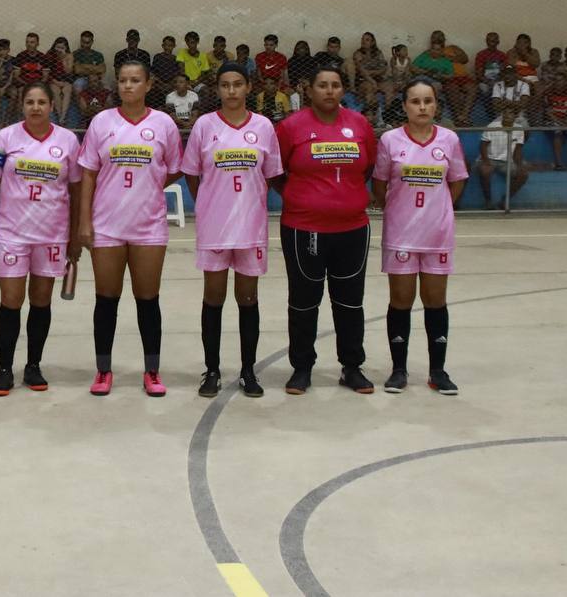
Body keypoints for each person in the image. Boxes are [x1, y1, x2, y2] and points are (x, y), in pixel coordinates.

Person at [77, 60, 182, 396]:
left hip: (148, 226)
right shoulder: (101, 122)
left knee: (147, 299)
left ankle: (152, 371)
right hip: (107, 225)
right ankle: (103, 370)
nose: (128, 86)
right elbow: (88, 173)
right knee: (106, 299)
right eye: (123, 80)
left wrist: (149, 185)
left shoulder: (164, 123)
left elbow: (175, 167)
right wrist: (84, 221)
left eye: (135, 80)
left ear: (148, 85)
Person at [274, 64, 378, 395]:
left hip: (352, 228)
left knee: (350, 301)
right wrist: (305, 198)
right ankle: (302, 367)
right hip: (303, 228)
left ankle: (352, 367)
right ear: (310, 90)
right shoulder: (291, 127)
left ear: (343, 90)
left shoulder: (359, 124)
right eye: (322, 85)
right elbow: (276, 172)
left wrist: (342, 198)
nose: (329, 90)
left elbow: (368, 167)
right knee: (304, 301)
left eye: (335, 85)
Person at [181, 63, 282, 397]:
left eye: (238, 84)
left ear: (248, 87)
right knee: (214, 297)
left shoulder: (264, 126)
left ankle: (248, 371)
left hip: (251, 226)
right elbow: (192, 173)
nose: (232, 91)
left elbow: (271, 174)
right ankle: (211, 370)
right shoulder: (204, 126)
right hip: (215, 226)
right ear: (218, 89)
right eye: (225, 85)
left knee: (248, 298)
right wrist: (209, 203)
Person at [0, 82, 82, 395]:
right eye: (29, 102)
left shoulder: (68, 140)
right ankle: (4, 369)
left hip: (52, 234)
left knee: (41, 300)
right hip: (12, 232)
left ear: (52, 106)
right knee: (11, 300)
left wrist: (75, 234)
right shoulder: (5, 138)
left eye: (41, 102)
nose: (35, 107)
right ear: (22, 105)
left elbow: (76, 190)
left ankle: (33, 366)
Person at [372, 77, 468, 396]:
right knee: (401, 300)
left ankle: (437, 371)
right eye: (415, 101)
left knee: (435, 301)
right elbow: (380, 185)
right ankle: (398, 370)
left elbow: (457, 180)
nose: (422, 107)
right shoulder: (390, 140)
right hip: (401, 233)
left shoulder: (449, 140)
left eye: (428, 101)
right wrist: (399, 209)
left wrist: (439, 210)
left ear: (436, 105)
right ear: (404, 106)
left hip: (437, 234)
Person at [478, 108, 528, 209]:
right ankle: (488, 201)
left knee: (523, 175)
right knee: (485, 171)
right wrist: (486, 162)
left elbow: (518, 150)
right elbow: (483, 145)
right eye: (504, 113)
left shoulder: (519, 129)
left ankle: (505, 200)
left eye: (510, 113)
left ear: (515, 116)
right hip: (490, 158)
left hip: (507, 161)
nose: (506, 115)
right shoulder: (492, 126)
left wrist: (519, 165)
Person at [543, 70, 567, 170]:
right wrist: (561, 123)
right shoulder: (548, 93)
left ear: (565, 81)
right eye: (556, 81)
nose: (558, 83)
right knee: (558, 133)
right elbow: (548, 113)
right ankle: (559, 164)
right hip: (553, 119)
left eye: (561, 80)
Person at [351, 32, 389, 113]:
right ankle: (369, 114)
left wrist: (372, 72)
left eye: (367, 40)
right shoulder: (358, 53)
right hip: (363, 80)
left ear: (373, 42)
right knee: (369, 87)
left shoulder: (378, 53)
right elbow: (361, 71)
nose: (363, 41)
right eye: (362, 39)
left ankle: (387, 113)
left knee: (390, 88)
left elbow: (384, 68)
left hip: (378, 79)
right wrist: (372, 81)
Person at [46, 36, 74, 123]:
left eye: (62, 48)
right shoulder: (50, 55)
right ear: (54, 46)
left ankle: (63, 116)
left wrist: (63, 58)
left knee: (67, 91)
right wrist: (56, 82)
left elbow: (68, 71)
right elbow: (47, 72)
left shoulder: (69, 56)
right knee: (55, 92)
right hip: (54, 80)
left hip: (66, 80)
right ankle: (59, 116)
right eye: (58, 47)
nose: (59, 50)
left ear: (66, 48)